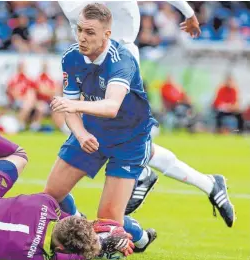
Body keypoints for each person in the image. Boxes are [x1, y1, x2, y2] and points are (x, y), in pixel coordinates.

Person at [59, 1, 235, 228]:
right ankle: (206, 184)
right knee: (129, 140)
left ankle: (145, 182)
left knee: (126, 134)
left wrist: (189, 13)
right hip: (92, 60)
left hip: (119, 58)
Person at [0, 74, 135, 260]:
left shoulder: (44, 203)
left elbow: (62, 201)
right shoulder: (38, 257)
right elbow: (72, 254)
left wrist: (89, 225)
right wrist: (99, 248)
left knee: (18, 156)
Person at [45, 4, 158, 253]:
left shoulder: (122, 60)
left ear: (107, 34)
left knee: (107, 221)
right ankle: (81, 224)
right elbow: (70, 109)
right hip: (92, 130)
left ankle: (139, 237)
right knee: (51, 195)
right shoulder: (71, 57)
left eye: (90, 32)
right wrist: (81, 133)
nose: (82, 37)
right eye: (80, 30)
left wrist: (72, 105)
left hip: (129, 139)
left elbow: (111, 106)